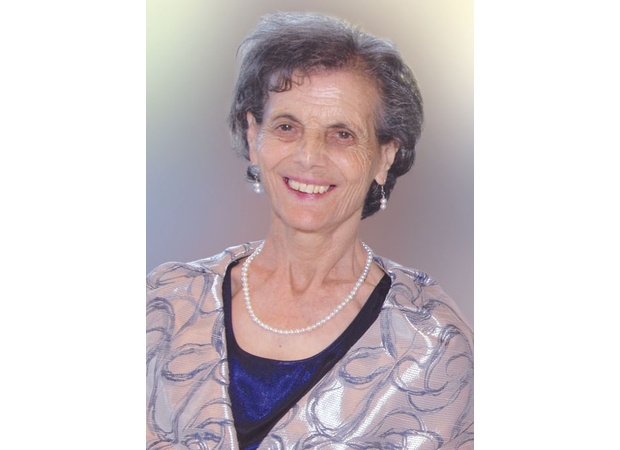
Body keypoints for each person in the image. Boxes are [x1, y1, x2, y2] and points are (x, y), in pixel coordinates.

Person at [146, 11, 473, 450]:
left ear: (384, 157)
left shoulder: (431, 344)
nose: (309, 156)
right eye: (287, 127)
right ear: (253, 136)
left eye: (342, 134)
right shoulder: (164, 306)